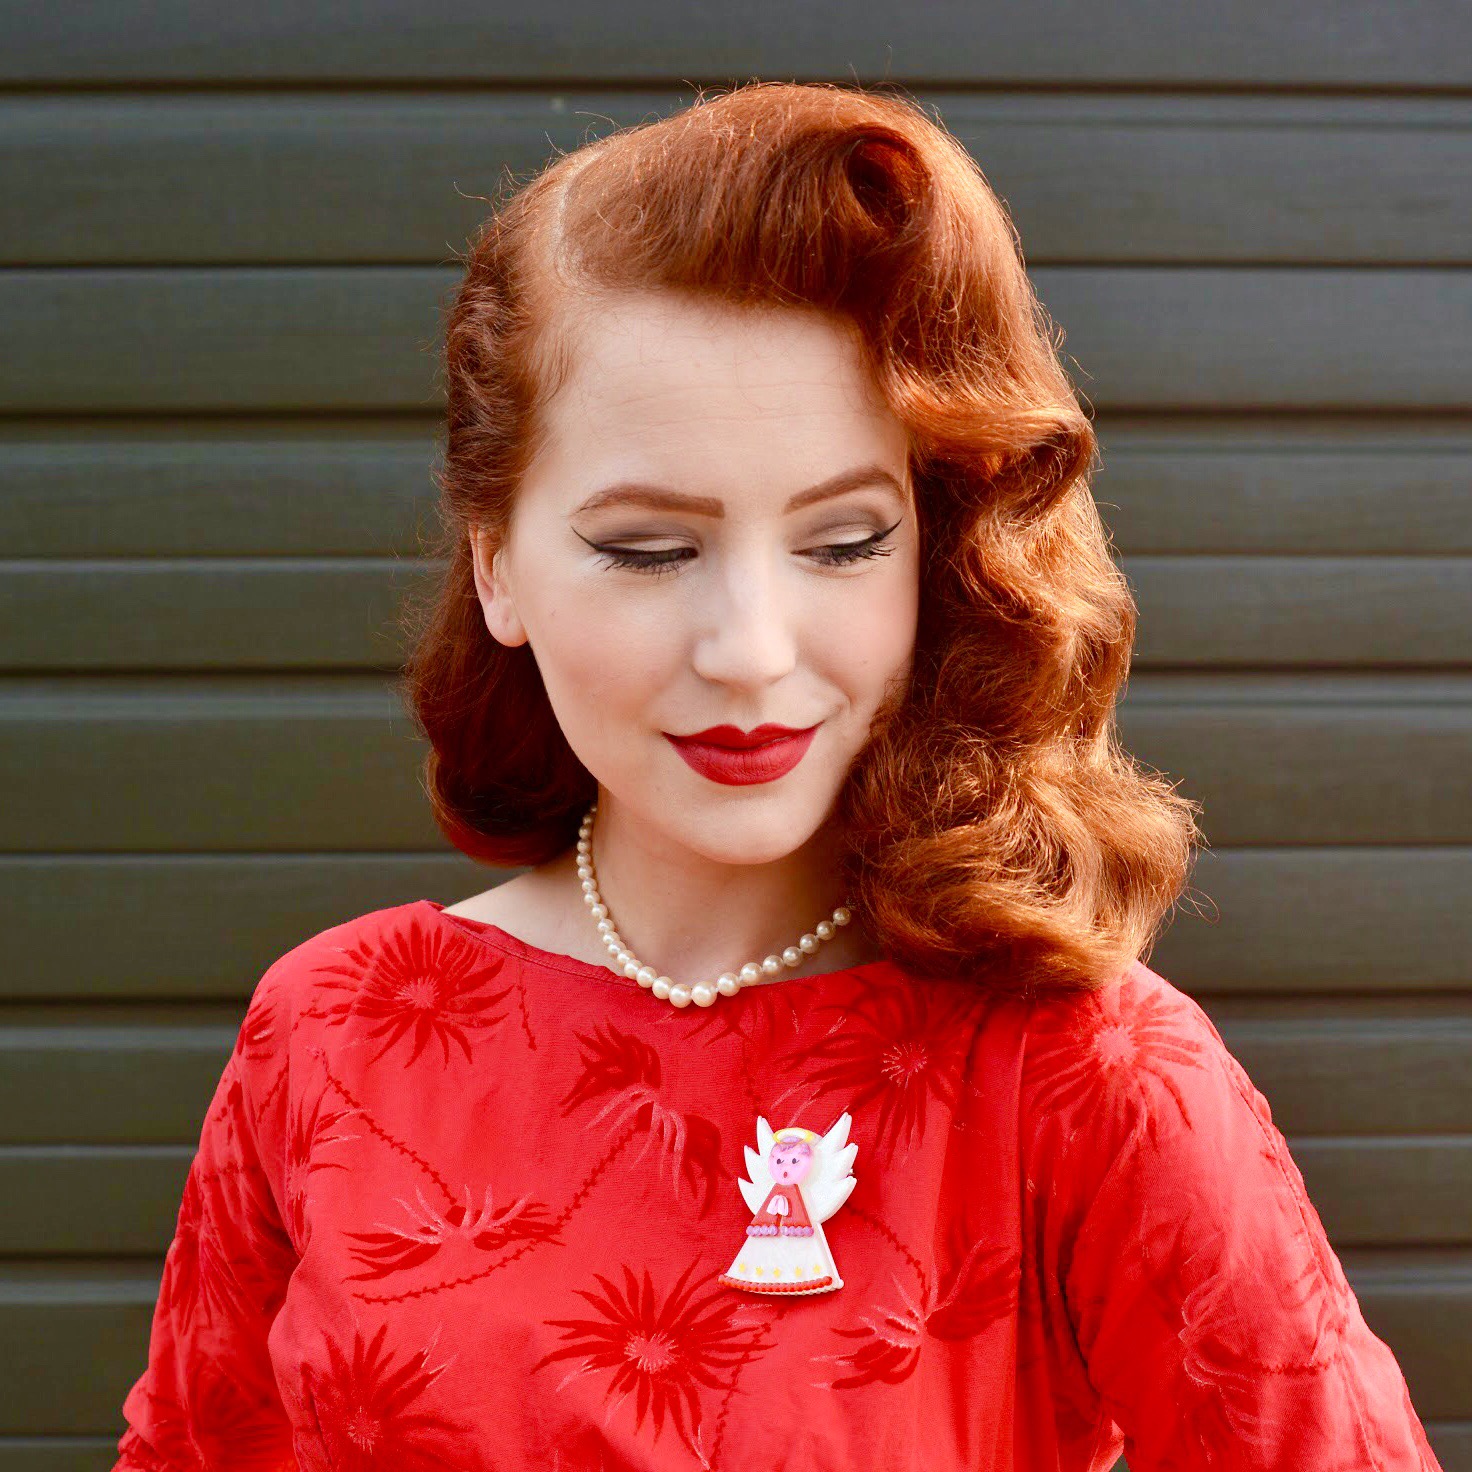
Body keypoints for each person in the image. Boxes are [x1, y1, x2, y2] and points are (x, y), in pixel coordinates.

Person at [112, 80, 1443, 1471]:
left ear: (938, 554)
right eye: (649, 550)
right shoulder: (330, 1034)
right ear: (495, 563)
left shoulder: (1083, 1072)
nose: (751, 653)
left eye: (845, 543)